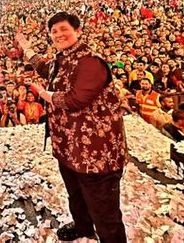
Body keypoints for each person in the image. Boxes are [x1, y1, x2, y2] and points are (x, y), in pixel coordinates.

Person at [17, 12, 128, 242]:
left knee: (104, 211)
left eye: (64, 29)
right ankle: (83, 227)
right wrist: (27, 49)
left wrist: (43, 94)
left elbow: (75, 99)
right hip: (69, 146)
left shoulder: (90, 61)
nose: (59, 34)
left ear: (78, 31)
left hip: (96, 153)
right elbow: (44, 68)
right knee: (76, 194)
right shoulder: (63, 59)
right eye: (54, 31)